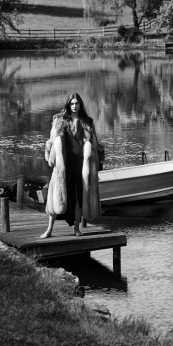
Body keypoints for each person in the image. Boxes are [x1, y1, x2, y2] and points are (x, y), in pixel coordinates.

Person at [40, 93, 104, 238]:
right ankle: (49, 230)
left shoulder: (87, 121)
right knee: (57, 195)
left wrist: (97, 162)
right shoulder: (60, 120)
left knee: (78, 197)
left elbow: (95, 144)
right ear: (68, 105)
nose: (75, 106)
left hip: (82, 165)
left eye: (77, 103)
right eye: (72, 104)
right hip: (64, 164)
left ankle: (76, 228)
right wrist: (50, 155)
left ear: (81, 105)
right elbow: (51, 141)